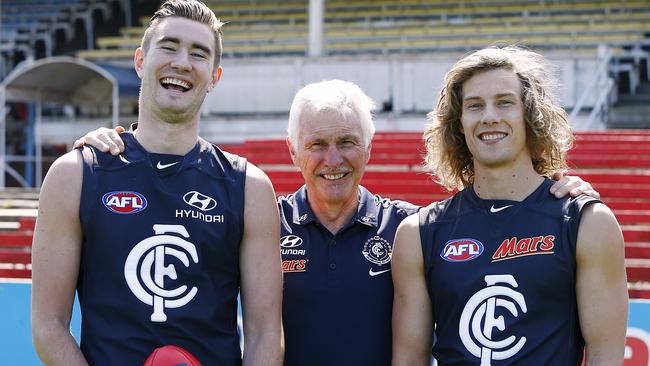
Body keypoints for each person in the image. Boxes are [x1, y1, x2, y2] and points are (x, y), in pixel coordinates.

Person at [75, 77, 600, 365]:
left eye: (348, 142)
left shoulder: (411, 230)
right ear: (293, 151)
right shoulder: (261, 226)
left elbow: (491, 238)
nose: (333, 159)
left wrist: (558, 189)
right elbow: (172, 224)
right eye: (317, 145)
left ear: (369, 148)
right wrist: (116, 150)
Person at [31, 1, 283, 365]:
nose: (182, 62)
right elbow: (48, 324)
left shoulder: (249, 188)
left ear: (214, 77)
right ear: (139, 61)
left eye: (199, 53)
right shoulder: (74, 175)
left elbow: (265, 333)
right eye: (169, 46)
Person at [391, 46, 628, 365]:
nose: (490, 116)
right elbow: (408, 360)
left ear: (530, 115)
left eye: (504, 102)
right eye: (475, 106)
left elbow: (606, 357)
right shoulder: (419, 233)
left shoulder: (586, 223)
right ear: (459, 124)